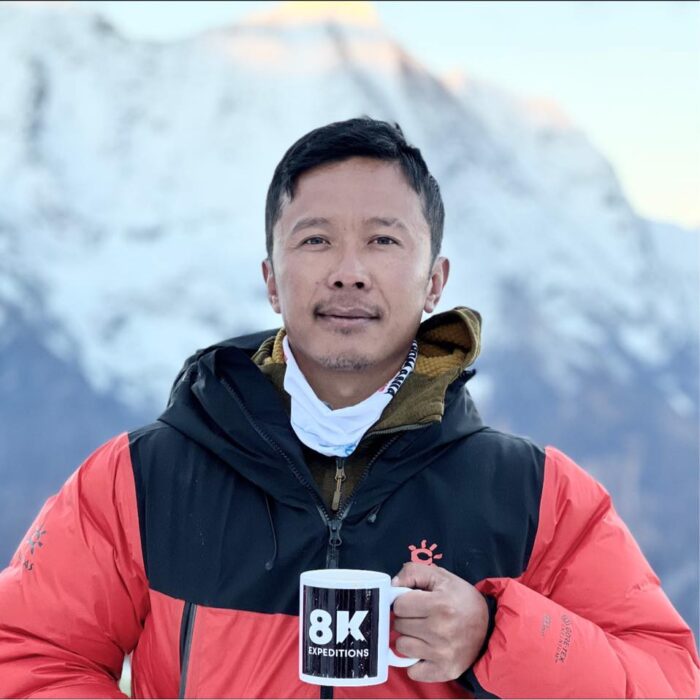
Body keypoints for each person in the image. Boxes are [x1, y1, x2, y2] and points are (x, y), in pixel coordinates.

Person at [0, 116, 697, 699]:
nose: (348, 269)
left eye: (383, 239)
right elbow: (25, 651)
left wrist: (497, 632)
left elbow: (667, 680)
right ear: (272, 280)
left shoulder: (538, 497)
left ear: (435, 281)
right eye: (315, 238)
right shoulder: (141, 478)